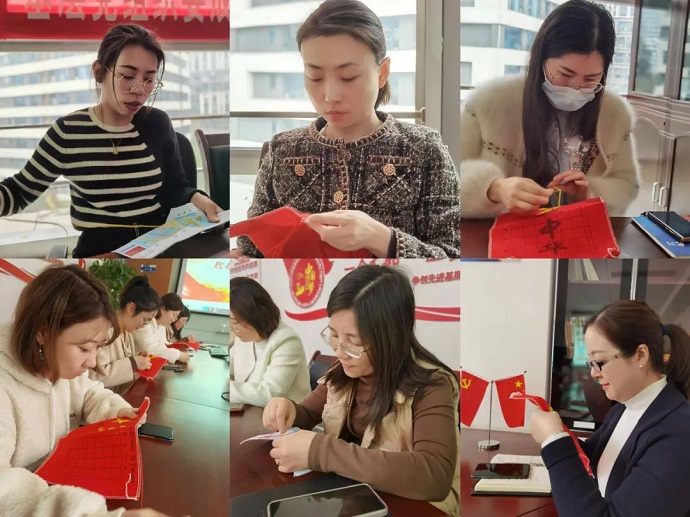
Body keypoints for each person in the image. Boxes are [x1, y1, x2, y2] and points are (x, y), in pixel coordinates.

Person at [235, 0, 459, 259]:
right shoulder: (283, 150)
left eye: (348, 77)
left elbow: (452, 256)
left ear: (382, 72)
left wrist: (382, 239)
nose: (330, 96)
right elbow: (251, 247)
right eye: (315, 77)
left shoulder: (424, 149)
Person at [0, 24, 221, 257]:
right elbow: (18, 191)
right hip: (99, 252)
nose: (139, 90)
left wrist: (198, 198)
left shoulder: (157, 123)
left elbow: (175, 188)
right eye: (127, 76)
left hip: (157, 246)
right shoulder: (68, 133)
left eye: (149, 79)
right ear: (99, 72)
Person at [262, 265, 460, 516]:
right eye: (334, 336)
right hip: (358, 501)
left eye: (353, 342)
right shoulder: (343, 372)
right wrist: (287, 409)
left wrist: (322, 452)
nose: (340, 351)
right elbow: (308, 413)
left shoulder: (431, 386)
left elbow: (435, 476)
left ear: (391, 338)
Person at [0, 265, 171, 517]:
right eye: (84, 349)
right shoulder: (5, 384)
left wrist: (116, 409)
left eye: (97, 348)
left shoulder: (54, 363)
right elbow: (6, 493)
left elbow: (90, 393)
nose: (91, 362)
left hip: (57, 483)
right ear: (42, 332)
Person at [461, 0, 640, 218]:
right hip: (499, 230)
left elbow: (626, 184)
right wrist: (494, 189)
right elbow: (446, 177)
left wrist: (588, 193)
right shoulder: (488, 103)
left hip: (575, 228)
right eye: (565, 74)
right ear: (541, 59)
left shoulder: (614, 113)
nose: (576, 88)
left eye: (591, 78)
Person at [529, 300, 690, 517]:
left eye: (600, 362)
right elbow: (590, 460)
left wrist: (553, 441)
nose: (593, 373)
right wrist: (558, 432)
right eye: (591, 363)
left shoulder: (680, 433)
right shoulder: (623, 409)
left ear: (640, 355)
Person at [229, 277, 310, 407]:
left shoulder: (287, 341)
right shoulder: (243, 338)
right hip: (251, 413)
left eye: (235, 322)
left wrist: (228, 389)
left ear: (255, 316)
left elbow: (269, 394)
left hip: (287, 417)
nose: (232, 328)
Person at [89, 275, 161, 390]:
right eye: (145, 319)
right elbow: (95, 377)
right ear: (131, 308)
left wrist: (138, 359)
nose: (144, 325)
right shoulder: (105, 331)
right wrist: (133, 363)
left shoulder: (128, 333)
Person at [133, 292, 189, 364]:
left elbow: (163, 345)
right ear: (163, 309)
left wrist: (179, 350)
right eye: (174, 315)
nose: (174, 320)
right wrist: (178, 355)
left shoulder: (161, 326)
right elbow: (149, 348)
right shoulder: (146, 322)